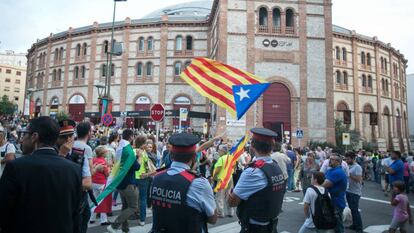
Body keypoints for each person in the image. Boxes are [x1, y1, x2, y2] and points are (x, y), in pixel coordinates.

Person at [0, 116, 82, 233]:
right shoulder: (74, 169)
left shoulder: (16, 167)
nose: (22, 140)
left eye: (25, 135)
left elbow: (3, 210)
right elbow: (75, 215)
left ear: (34, 137)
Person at [149, 132, 218, 233]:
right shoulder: (199, 183)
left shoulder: (157, 177)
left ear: (171, 155)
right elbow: (213, 219)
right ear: (194, 157)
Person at [228, 128, 285, 233]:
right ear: (272, 147)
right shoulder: (275, 166)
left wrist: (230, 192)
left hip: (255, 228)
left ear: (252, 146)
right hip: (271, 224)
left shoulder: (253, 172)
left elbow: (232, 202)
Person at [107, 129, 141, 233]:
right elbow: (136, 167)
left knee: (125, 206)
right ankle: (114, 225)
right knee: (133, 207)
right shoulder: (128, 149)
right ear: (131, 137)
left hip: (120, 182)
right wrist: (138, 157)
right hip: (128, 183)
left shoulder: (120, 148)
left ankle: (125, 229)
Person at [73, 122, 94, 233]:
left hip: (72, 180)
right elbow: (90, 169)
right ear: (88, 133)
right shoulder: (87, 148)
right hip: (82, 184)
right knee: (84, 215)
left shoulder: (72, 144)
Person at [322, 154, 347, 233]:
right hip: (332, 200)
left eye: (332, 159)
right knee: (333, 223)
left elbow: (324, 184)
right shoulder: (331, 170)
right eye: (330, 159)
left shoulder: (338, 172)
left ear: (338, 162)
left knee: (337, 224)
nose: (330, 161)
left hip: (337, 201)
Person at [135, 139, 157, 226]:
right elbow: (152, 168)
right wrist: (148, 174)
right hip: (143, 177)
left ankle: (134, 215)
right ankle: (142, 219)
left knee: (136, 198)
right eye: (146, 144)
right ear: (143, 144)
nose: (148, 146)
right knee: (142, 198)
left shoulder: (132, 151)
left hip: (134, 177)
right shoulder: (144, 154)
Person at [90, 146, 111, 226]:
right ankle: (103, 220)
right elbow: (107, 174)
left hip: (94, 182)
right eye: (106, 152)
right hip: (101, 183)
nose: (107, 153)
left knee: (95, 200)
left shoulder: (94, 160)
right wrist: (108, 170)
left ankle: (92, 218)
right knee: (103, 201)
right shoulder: (103, 162)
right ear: (103, 153)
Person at [212, 144, 235, 218]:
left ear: (222, 151)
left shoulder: (221, 159)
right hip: (230, 178)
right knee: (228, 194)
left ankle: (220, 213)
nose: (218, 151)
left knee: (219, 196)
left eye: (219, 150)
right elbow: (234, 167)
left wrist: (214, 177)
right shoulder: (230, 157)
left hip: (222, 179)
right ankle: (230, 212)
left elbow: (217, 169)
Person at [344, 152, 363, 233]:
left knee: (355, 210)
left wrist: (349, 174)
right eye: (346, 159)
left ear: (353, 159)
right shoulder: (348, 166)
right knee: (352, 210)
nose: (347, 160)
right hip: (348, 190)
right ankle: (354, 225)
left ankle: (359, 228)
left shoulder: (357, 167)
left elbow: (359, 179)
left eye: (348, 159)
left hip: (355, 192)